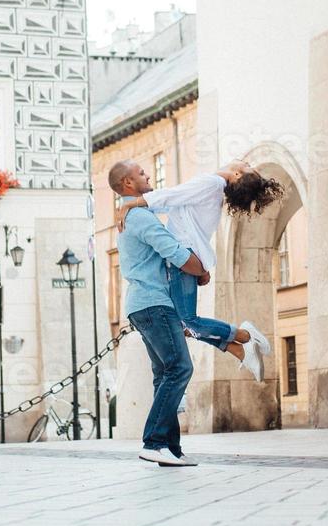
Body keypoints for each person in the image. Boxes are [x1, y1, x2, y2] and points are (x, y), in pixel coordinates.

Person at [115, 160, 282, 383]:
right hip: (188, 258)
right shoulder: (213, 189)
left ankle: (246, 335)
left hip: (182, 258)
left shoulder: (210, 183)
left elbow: (172, 195)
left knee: (189, 322)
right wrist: (140, 206)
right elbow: (173, 204)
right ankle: (239, 350)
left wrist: (130, 204)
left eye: (247, 165)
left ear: (237, 173)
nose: (246, 161)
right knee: (183, 325)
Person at [109, 159, 208, 467]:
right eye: (141, 173)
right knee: (180, 368)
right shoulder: (140, 217)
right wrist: (202, 271)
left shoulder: (133, 215)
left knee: (163, 374)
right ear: (127, 183)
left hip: (141, 305)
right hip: (154, 304)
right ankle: (153, 442)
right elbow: (176, 253)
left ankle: (170, 448)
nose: (148, 175)